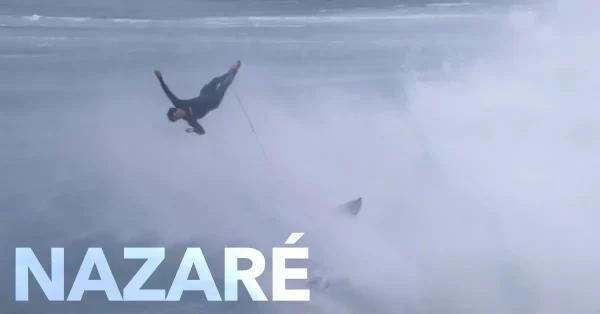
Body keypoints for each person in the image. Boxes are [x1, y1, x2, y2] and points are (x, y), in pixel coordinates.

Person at [154, 60, 241, 135]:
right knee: (223, 85)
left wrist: (160, 78)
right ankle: (234, 70)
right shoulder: (190, 120)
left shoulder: (178, 103)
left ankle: (230, 72)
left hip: (205, 94)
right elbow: (202, 131)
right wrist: (193, 130)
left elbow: (167, 92)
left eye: (177, 114)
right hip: (213, 102)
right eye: (177, 118)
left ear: (176, 109)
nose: (179, 116)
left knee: (215, 80)